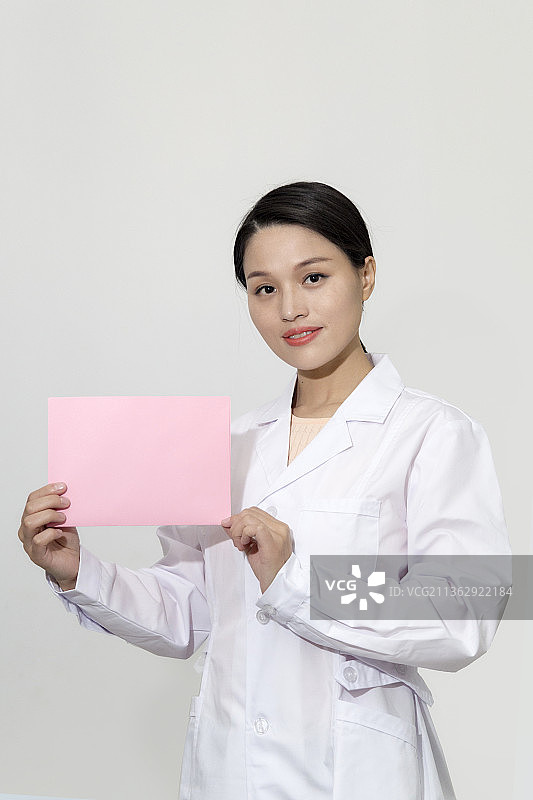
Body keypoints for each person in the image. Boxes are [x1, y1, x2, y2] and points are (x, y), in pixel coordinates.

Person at [18, 181, 511, 800]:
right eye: (264, 289)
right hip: (230, 770)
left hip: (356, 776)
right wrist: (79, 572)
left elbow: (469, 605)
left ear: (366, 275)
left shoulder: (433, 433)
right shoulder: (229, 444)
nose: (290, 310)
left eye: (314, 277)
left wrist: (297, 578)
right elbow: (190, 612)